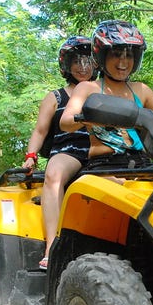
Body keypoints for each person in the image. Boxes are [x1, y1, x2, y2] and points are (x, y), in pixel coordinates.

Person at [60, 20, 153, 171]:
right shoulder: (87, 88)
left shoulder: (141, 89)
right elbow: (66, 122)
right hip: (104, 165)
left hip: (143, 164)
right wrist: (93, 115)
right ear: (101, 56)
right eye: (116, 54)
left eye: (129, 55)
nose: (123, 61)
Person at [22, 36, 97, 270]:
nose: (83, 67)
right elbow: (40, 130)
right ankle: (52, 246)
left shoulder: (106, 92)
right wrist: (31, 156)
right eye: (77, 61)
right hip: (71, 150)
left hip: (106, 151)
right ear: (66, 65)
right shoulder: (55, 97)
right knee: (53, 174)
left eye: (89, 61)